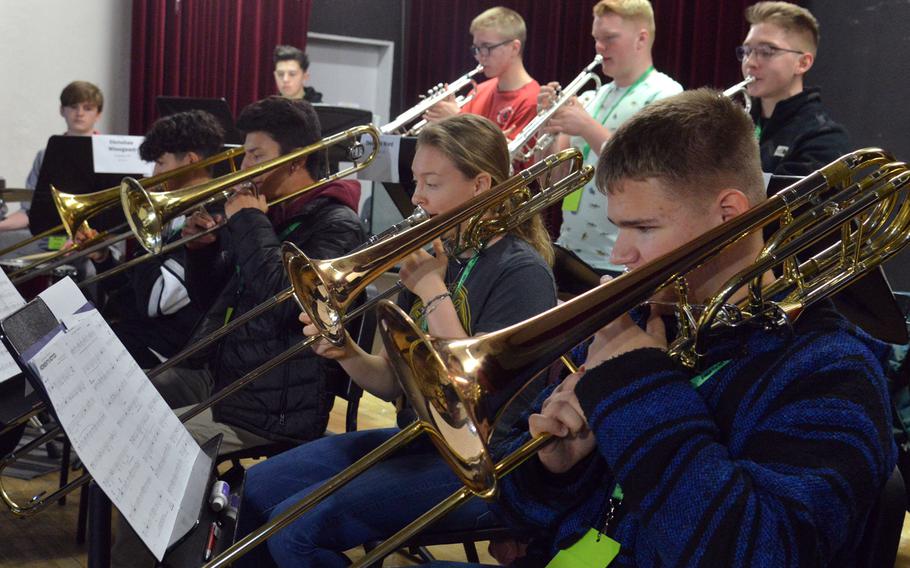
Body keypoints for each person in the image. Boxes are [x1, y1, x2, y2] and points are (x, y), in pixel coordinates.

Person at [462, 90, 893, 566]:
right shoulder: (642, 320)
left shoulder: (832, 372)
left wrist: (636, 383)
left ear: (727, 214)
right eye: (619, 227)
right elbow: (519, 512)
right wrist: (555, 467)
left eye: (644, 229)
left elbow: (761, 552)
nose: (619, 254)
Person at [236, 114, 559, 567]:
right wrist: (346, 351)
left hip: (489, 463)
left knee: (296, 532)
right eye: (414, 182)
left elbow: (475, 395)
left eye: (432, 183)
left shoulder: (520, 272)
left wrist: (432, 290)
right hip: (422, 436)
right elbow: (391, 383)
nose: (417, 197)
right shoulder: (433, 254)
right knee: (259, 487)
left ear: (481, 185)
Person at [111, 96, 366, 568]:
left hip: (275, 402)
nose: (243, 164)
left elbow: (282, 307)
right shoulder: (271, 212)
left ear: (297, 159)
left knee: (156, 448)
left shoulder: (338, 225)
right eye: (245, 152)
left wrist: (249, 222)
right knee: (126, 400)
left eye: (256, 155)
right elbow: (217, 299)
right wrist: (206, 251)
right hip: (224, 373)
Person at [542, 0, 682, 275]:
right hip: (568, 246)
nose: (599, 47)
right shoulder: (595, 95)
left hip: (619, 260)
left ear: (641, 39)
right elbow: (555, 180)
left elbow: (645, 172)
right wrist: (552, 127)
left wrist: (585, 126)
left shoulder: (666, 94)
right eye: (596, 39)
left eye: (609, 39)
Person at [77, 110, 224, 368]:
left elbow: (155, 301)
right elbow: (131, 300)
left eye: (161, 163)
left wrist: (145, 226)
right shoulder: (174, 214)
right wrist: (103, 259)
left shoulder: (212, 218)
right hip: (141, 336)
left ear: (190, 161)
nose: (154, 173)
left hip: (168, 354)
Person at [739, 1, 849, 176]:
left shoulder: (824, 139)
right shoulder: (738, 124)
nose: (750, 62)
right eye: (746, 51)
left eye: (766, 51)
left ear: (802, 63)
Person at [0, 81, 103, 235]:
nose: (80, 113)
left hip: (97, 238)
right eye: (73, 107)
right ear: (62, 110)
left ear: (98, 114)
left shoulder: (110, 154)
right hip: (50, 239)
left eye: (87, 108)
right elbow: (29, 211)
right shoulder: (45, 155)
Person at [424, 7, 539, 140]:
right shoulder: (478, 91)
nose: (479, 57)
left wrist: (457, 119)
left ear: (514, 48)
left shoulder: (532, 101)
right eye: (476, 49)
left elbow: (506, 158)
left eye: (486, 47)